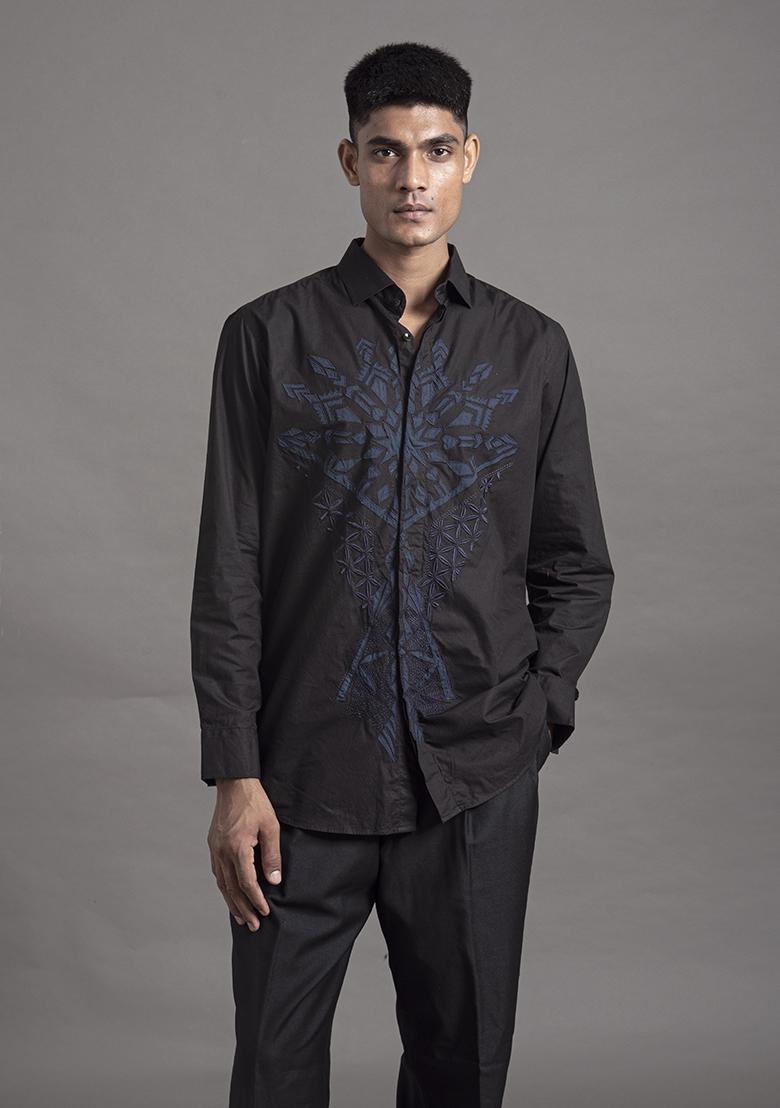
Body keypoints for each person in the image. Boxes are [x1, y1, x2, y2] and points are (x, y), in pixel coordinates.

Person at [189, 40, 614, 1108]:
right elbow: (229, 566)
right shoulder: (265, 338)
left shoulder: (534, 350)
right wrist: (235, 771)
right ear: (350, 162)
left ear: (470, 157)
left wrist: (537, 714)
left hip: (475, 778)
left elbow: (575, 563)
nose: (411, 177)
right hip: (298, 782)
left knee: (461, 1069)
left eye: (434, 150)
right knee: (273, 1069)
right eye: (385, 151)